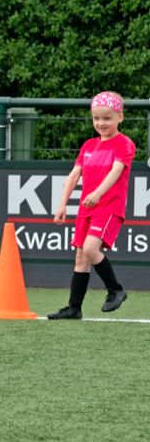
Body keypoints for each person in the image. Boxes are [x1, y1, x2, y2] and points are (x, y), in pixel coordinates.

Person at [48, 91, 132, 319]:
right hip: (87, 208)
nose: (101, 123)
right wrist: (62, 204)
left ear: (120, 117)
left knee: (90, 249)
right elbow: (74, 175)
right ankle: (74, 308)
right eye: (96, 118)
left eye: (107, 118)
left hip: (109, 207)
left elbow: (116, 171)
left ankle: (116, 289)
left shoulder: (124, 144)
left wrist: (98, 193)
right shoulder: (88, 146)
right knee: (81, 258)